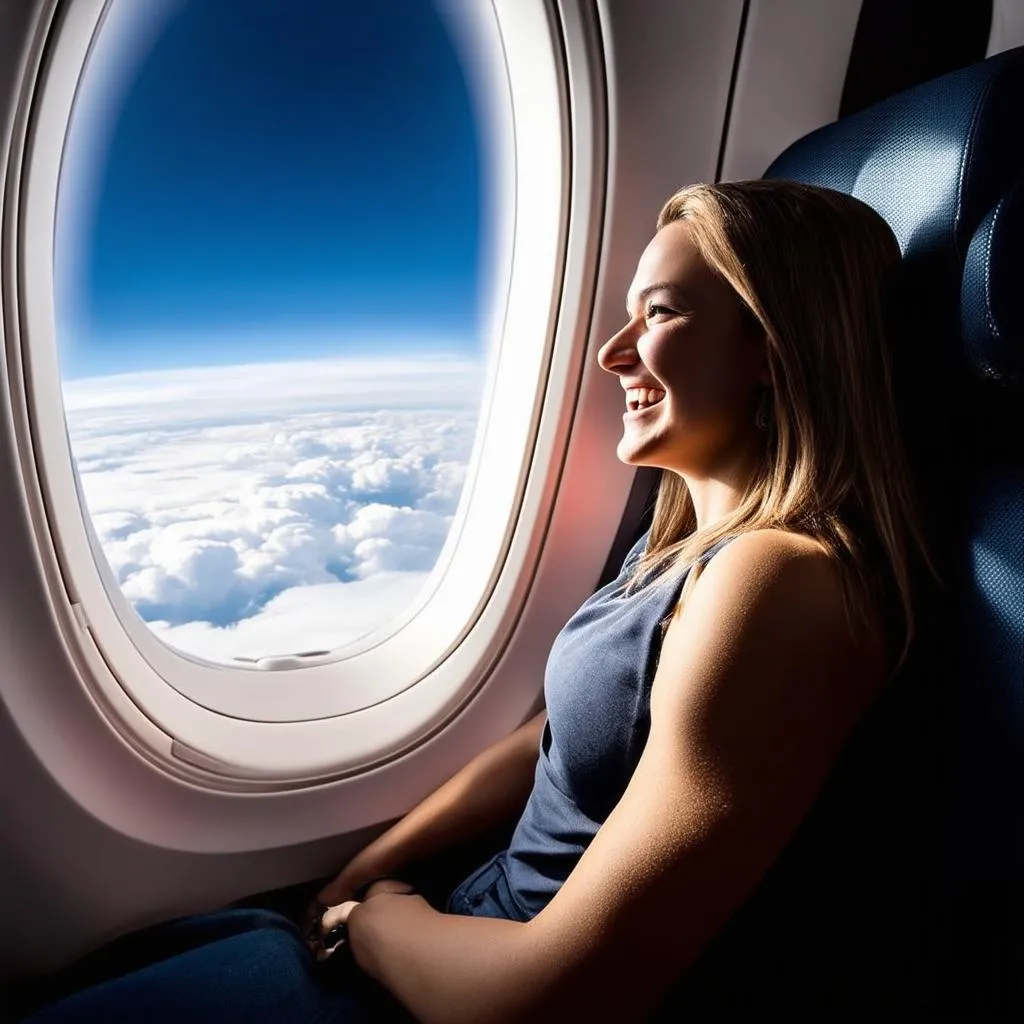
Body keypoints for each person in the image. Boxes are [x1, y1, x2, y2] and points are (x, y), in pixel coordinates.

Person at [22, 180, 934, 1022]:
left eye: (659, 314)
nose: (614, 354)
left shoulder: (778, 583)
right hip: (451, 933)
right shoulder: (682, 554)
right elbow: (557, 738)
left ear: (774, 349)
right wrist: (374, 864)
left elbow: (553, 999)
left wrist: (375, 923)